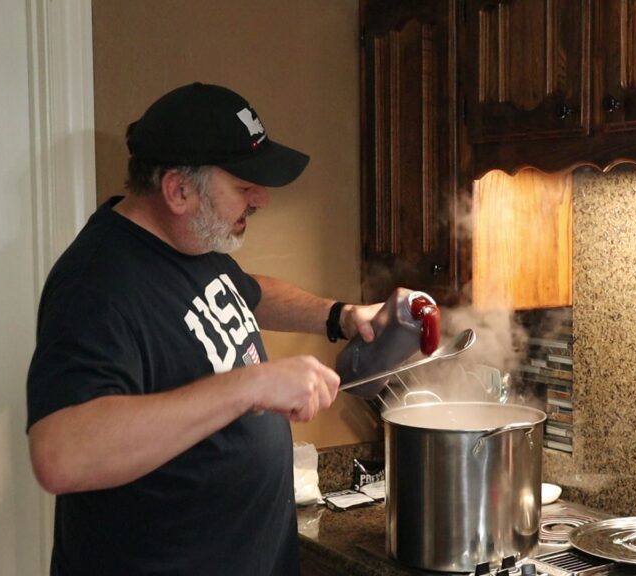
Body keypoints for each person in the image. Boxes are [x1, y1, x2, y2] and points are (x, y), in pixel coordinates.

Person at [26, 82, 382, 575]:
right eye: (243, 185)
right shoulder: (97, 286)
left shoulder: (188, 247)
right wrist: (249, 386)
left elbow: (245, 291)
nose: (261, 199)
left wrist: (341, 315)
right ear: (178, 189)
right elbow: (60, 454)